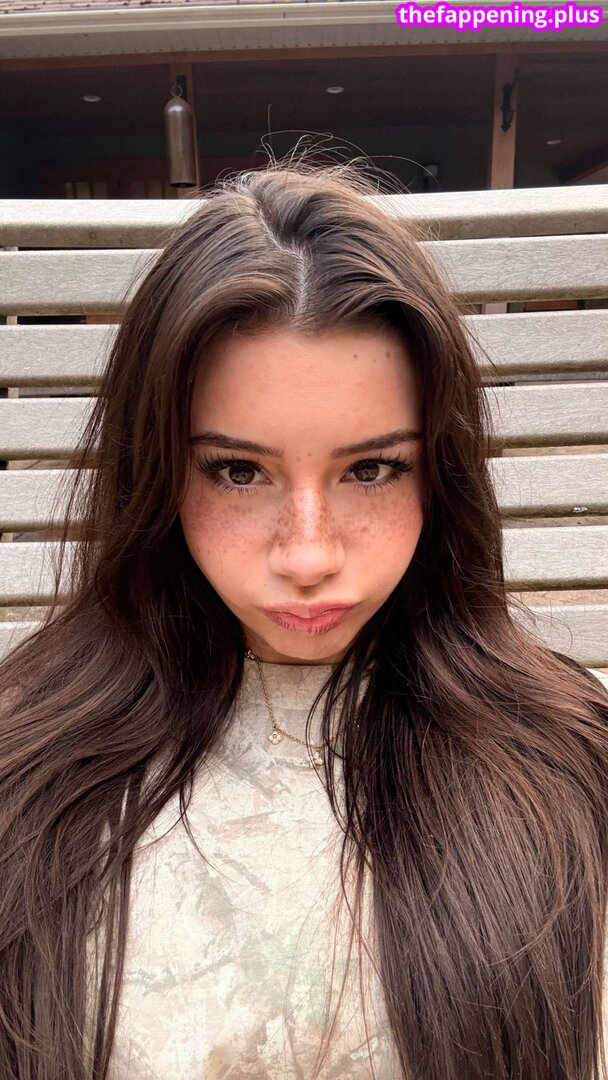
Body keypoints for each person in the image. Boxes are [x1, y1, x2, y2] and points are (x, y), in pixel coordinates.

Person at [0, 159, 607, 1080]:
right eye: (238, 472)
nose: (310, 554)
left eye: (372, 469)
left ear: (438, 474)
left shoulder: (562, 768)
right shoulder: (26, 771)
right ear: (157, 472)